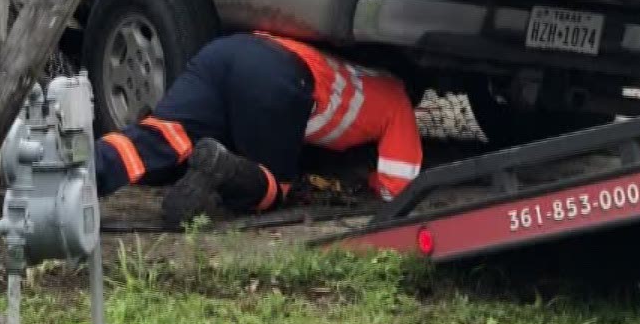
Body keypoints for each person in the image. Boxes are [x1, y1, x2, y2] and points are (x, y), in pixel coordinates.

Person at [92, 32, 425, 228]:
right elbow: (398, 188)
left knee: (163, 134)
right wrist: (375, 187)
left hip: (229, 51)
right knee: (274, 188)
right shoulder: (398, 100)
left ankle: (82, 172)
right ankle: (223, 167)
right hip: (277, 79)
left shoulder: (349, 69)